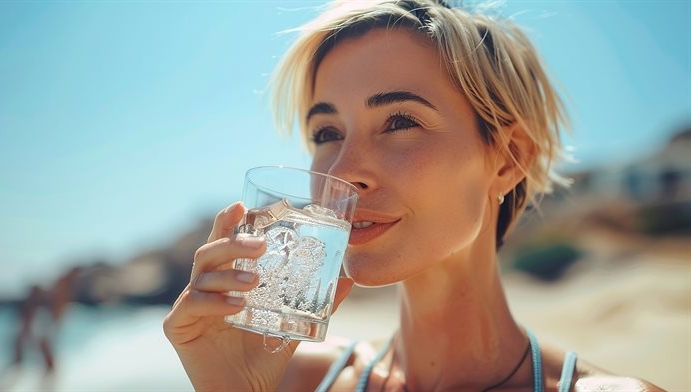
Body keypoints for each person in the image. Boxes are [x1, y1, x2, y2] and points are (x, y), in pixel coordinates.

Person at [163, 1, 664, 391]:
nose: (343, 171)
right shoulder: (291, 380)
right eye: (326, 132)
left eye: (400, 121)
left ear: (509, 159)